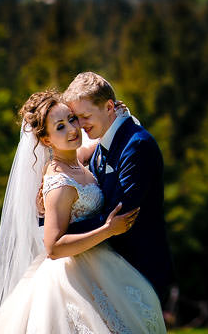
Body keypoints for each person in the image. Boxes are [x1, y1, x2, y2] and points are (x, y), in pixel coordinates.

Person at [0, 90, 166, 333]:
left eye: (71, 119)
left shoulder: (78, 157)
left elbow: (104, 135)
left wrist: (117, 113)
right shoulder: (59, 184)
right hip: (73, 275)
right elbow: (53, 247)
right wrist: (107, 230)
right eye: (60, 127)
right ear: (47, 140)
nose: (72, 129)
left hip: (103, 266)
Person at [63, 71, 175, 306]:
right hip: (107, 270)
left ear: (109, 106)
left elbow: (119, 214)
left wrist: (64, 236)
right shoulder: (103, 141)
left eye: (85, 116)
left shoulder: (136, 146)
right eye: (76, 117)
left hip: (138, 269)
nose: (80, 126)